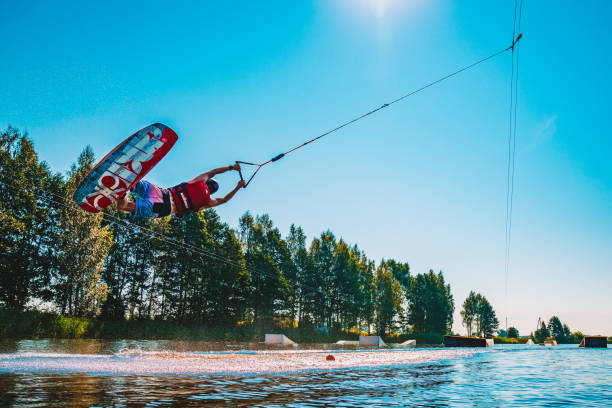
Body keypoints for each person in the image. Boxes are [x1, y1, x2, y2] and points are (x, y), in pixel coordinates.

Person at [117, 163, 246, 218]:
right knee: (124, 207)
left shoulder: (199, 181)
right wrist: (238, 187)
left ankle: (122, 183)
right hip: (162, 208)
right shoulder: (206, 202)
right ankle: (121, 196)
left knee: (133, 182)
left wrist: (231, 167)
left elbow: (213, 172)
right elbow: (224, 200)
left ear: (208, 182)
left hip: (162, 193)